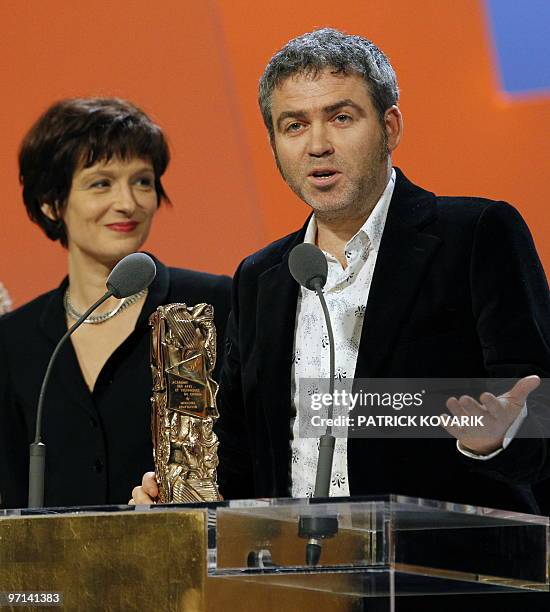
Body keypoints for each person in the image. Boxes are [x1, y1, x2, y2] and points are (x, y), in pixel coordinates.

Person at [131, 29, 550, 609]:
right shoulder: (262, 276)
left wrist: (497, 439)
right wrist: (185, 502)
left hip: (451, 585)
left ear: (390, 127)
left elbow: (537, 411)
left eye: (341, 117)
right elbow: (248, 453)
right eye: (294, 125)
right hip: (298, 590)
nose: (317, 145)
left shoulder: (475, 235)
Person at [0, 98, 231, 509]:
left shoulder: (211, 305)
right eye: (101, 183)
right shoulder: (13, 339)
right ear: (51, 203)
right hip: (51, 570)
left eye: (142, 181)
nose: (128, 202)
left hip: (183, 561)